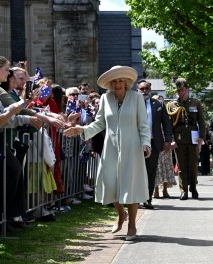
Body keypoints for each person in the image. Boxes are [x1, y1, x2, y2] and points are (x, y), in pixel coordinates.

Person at [64, 66, 151, 241]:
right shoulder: (105, 98)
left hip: (132, 148)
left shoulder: (136, 98)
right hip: (110, 148)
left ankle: (132, 225)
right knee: (108, 183)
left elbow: (143, 124)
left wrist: (146, 143)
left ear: (126, 82)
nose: (118, 84)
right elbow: (99, 123)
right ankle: (120, 214)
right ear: (110, 84)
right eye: (115, 81)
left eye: (121, 81)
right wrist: (81, 129)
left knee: (131, 185)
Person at [166, 78, 206, 200]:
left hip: (193, 137)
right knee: (181, 166)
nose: (180, 92)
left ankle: (193, 188)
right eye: (178, 90)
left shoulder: (195, 102)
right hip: (178, 137)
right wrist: (171, 139)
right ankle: (183, 191)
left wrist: (201, 137)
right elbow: (169, 124)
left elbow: (202, 121)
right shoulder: (171, 105)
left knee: (193, 164)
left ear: (187, 89)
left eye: (182, 90)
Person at [137, 79, 172, 209]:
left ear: (150, 90)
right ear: (137, 89)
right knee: (136, 172)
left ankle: (147, 199)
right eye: (142, 89)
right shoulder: (133, 104)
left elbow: (166, 123)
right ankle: (135, 199)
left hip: (154, 143)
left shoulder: (158, 104)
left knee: (150, 172)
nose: (144, 91)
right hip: (136, 143)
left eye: (146, 89)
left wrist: (168, 140)